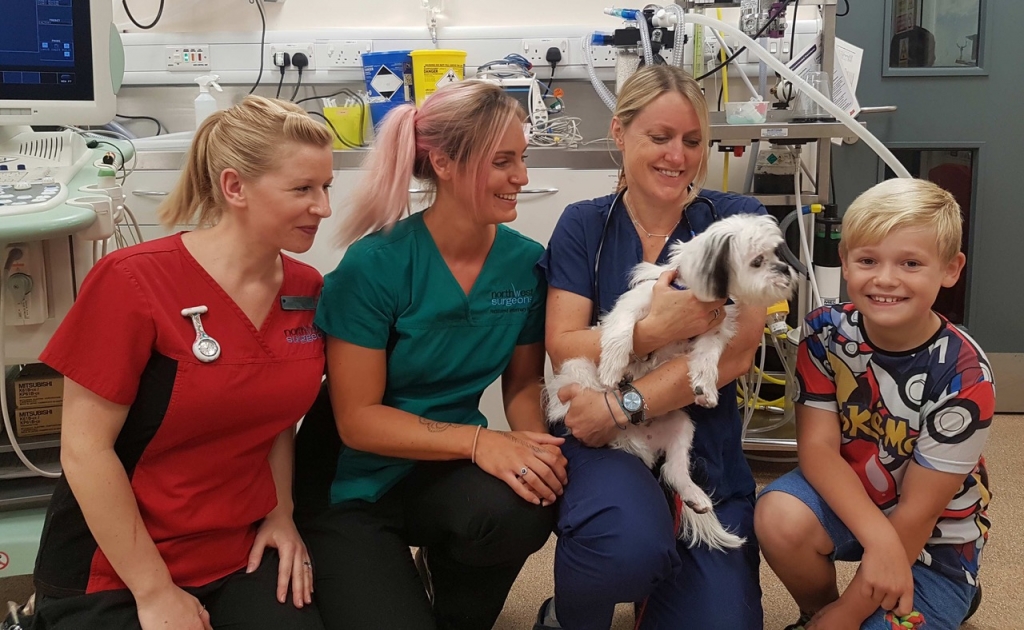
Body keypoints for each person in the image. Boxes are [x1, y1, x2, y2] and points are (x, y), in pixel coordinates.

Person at [28, 96, 334, 630]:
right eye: (303, 189)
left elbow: (276, 420)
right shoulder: (133, 281)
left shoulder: (307, 291)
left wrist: (281, 514)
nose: (324, 207)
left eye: (325, 187)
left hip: (238, 548)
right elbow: (84, 450)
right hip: (117, 563)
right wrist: (154, 592)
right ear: (234, 187)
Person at [293, 79, 567, 630]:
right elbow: (358, 420)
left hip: (441, 467)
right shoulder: (376, 265)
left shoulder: (525, 264)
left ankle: (449, 590)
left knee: (523, 504)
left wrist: (534, 449)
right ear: (442, 163)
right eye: (503, 162)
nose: (523, 178)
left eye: (524, 159)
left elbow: (520, 384)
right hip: (351, 483)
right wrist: (480, 440)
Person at [534, 64, 768, 629]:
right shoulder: (583, 226)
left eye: (692, 141)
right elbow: (563, 343)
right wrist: (654, 331)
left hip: (692, 440)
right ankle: (573, 613)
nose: (677, 156)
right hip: (605, 442)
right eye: (659, 138)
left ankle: (664, 592)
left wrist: (625, 403)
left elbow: (736, 353)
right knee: (621, 548)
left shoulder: (739, 222)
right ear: (620, 133)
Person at [755, 177, 992, 630]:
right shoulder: (825, 333)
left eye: (910, 263)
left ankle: (952, 593)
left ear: (950, 268)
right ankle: (819, 610)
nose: (885, 279)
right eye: (868, 260)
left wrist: (848, 615)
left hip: (932, 545)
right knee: (778, 515)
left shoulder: (966, 377)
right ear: (844, 263)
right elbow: (818, 450)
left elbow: (918, 515)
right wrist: (838, 606)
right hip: (857, 507)